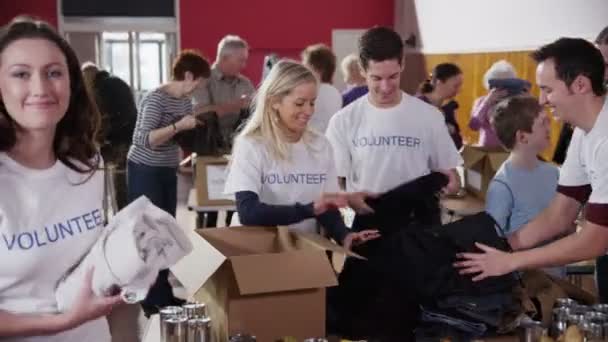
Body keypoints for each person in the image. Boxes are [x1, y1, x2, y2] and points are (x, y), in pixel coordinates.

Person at [0, 17, 122, 340]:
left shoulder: (86, 162)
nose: (40, 88)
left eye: (54, 73)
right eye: (21, 74)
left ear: (72, 83)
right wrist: (62, 322)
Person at [455, 38, 608, 282]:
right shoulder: (583, 132)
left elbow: (594, 241)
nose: (542, 101)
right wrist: (500, 249)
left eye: (548, 89)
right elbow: (559, 215)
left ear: (580, 84)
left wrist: (510, 261)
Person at [224, 60, 378, 249]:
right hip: (256, 253)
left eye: (312, 103)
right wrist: (309, 209)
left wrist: (344, 235)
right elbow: (249, 213)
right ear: (274, 102)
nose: (308, 111)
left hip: (302, 251)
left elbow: (326, 208)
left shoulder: (321, 145)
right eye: (299, 103)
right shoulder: (252, 145)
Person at [325, 27, 462, 220]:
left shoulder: (429, 116)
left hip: (419, 223)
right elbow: (335, 180)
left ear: (402, 64)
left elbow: (450, 173)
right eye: (376, 78)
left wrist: (451, 180)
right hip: (368, 222)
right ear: (363, 70)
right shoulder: (343, 121)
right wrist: (347, 198)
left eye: (393, 77)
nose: (385, 87)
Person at [127, 49, 210, 315]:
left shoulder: (185, 102)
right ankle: (149, 297)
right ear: (187, 76)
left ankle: (164, 294)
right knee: (149, 234)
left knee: (166, 233)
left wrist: (193, 132)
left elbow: (179, 136)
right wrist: (177, 127)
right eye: (198, 82)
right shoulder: (155, 99)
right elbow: (143, 140)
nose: (198, 88)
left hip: (166, 169)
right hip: (144, 169)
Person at [485, 95, 570, 278]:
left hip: (557, 279)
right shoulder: (502, 185)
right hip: (524, 288)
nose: (550, 128)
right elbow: (493, 243)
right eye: (543, 123)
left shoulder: (554, 173)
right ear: (522, 136)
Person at [191, 34, 254, 227]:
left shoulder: (246, 83)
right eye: (241, 60)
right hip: (207, 153)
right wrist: (233, 106)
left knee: (236, 209)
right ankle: (207, 252)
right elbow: (197, 112)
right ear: (225, 58)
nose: (244, 65)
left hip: (238, 154)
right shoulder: (203, 81)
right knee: (208, 213)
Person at [81, 62, 137, 211]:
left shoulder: (100, 89)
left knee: (118, 182)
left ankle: (117, 216)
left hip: (117, 139)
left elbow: (103, 118)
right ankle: (127, 215)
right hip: (132, 136)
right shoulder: (116, 81)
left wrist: (97, 138)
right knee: (125, 180)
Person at [468, 60, 519, 149]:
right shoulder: (481, 101)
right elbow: (474, 125)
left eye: (506, 84)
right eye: (498, 84)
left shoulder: (516, 101)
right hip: (485, 150)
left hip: (509, 151)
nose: (502, 88)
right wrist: (487, 102)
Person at [417, 62, 464, 149]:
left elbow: (458, 145)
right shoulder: (417, 105)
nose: (459, 90)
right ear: (439, 82)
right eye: (456, 86)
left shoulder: (448, 108)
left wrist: (452, 131)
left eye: (460, 86)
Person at [301, 43, 342, 133]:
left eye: (305, 63)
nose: (303, 66)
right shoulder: (334, 91)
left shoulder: (314, 91)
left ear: (316, 67)